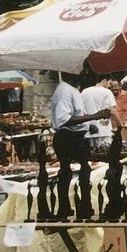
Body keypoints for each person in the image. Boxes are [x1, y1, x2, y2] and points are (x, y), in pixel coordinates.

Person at [50, 71, 112, 220]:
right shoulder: (64, 90)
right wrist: (95, 116)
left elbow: (74, 116)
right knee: (67, 172)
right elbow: (64, 119)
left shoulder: (71, 90)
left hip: (76, 136)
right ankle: (67, 207)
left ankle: (84, 206)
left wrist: (88, 125)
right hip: (67, 137)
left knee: (83, 171)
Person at [81, 76, 119, 154]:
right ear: (104, 80)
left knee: (90, 156)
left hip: (88, 130)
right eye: (109, 83)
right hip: (104, 131)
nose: (109, 86)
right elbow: (113, 110)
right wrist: (120, 124)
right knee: (104, 155)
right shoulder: (107, 92)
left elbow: (81, 110)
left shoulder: (84, 91)